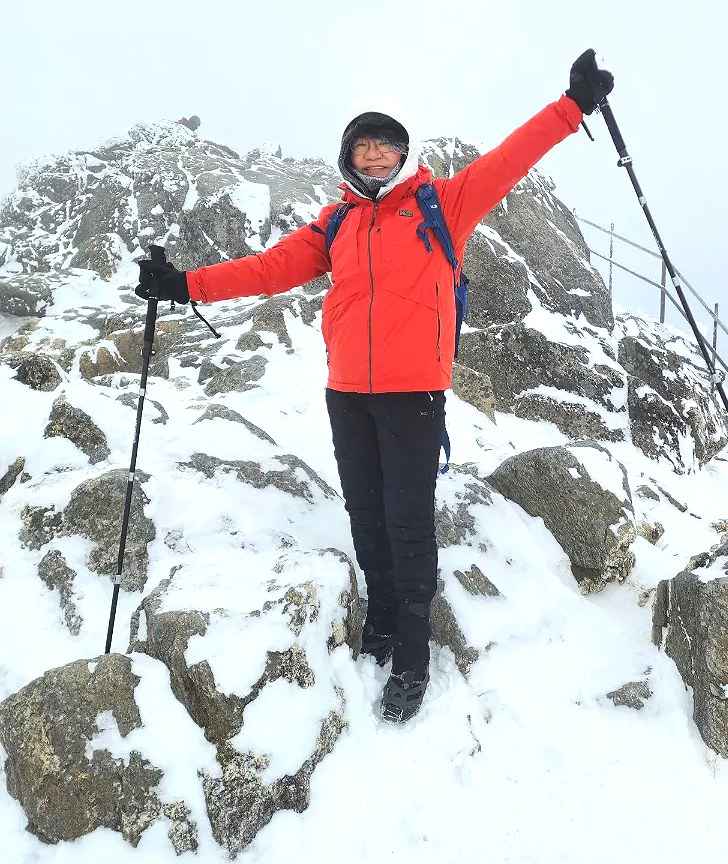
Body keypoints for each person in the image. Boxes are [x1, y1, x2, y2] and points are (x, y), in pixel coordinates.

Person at [137, 50, 613, 723]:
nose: (377, 156)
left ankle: (413, 654)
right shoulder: (335, 224)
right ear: (348, 160)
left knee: (408, 522)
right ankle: (383, 618)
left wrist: (572, 107)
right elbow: (268, 270)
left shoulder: (441, 203)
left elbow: (509, 161)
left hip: (413, 392)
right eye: (365, 148)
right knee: (366, 514)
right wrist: (183, 284)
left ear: (403, 154)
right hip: (347, 394)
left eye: (387, 146)